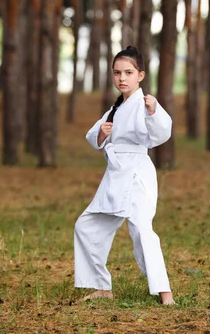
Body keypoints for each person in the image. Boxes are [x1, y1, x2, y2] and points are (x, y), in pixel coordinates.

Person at [73, 46, 175, 305]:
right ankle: (101, 286)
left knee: (142, 230)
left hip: (137, 174)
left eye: (128, 72)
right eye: (117, 72)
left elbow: (161, 134)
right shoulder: (115, 109)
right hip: (115, 174)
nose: (122, 78)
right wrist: (102, 135)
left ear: (140, 75)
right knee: (86, 226)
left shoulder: (145, 104)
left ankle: (165, 292)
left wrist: (153, 111)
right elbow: (92, 137)